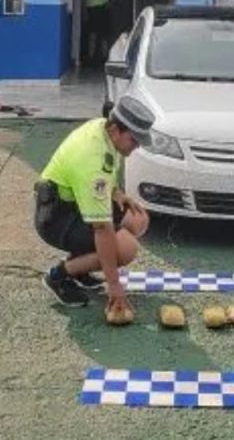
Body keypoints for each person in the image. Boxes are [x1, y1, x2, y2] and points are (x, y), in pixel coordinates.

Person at [35, 96, 154, 312]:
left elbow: (109, 170)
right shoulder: (92, 162)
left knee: (138, 219)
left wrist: (117, 193)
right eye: (134, 140)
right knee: (125, 249)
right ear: (117, 130)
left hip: (77, 205)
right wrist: (115, 285)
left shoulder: (103, 130)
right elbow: (102, 230)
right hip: (57, 218)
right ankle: (59, 276)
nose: (136, 147)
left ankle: (80, 265)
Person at [82, 0, 120, 64]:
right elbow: (83, 0)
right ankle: (91, 57)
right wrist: (84, 13)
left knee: (104, 34)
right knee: (92, 35)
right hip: (91, 10)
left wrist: (112, 2)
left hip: (103, 10)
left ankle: (105, 56)